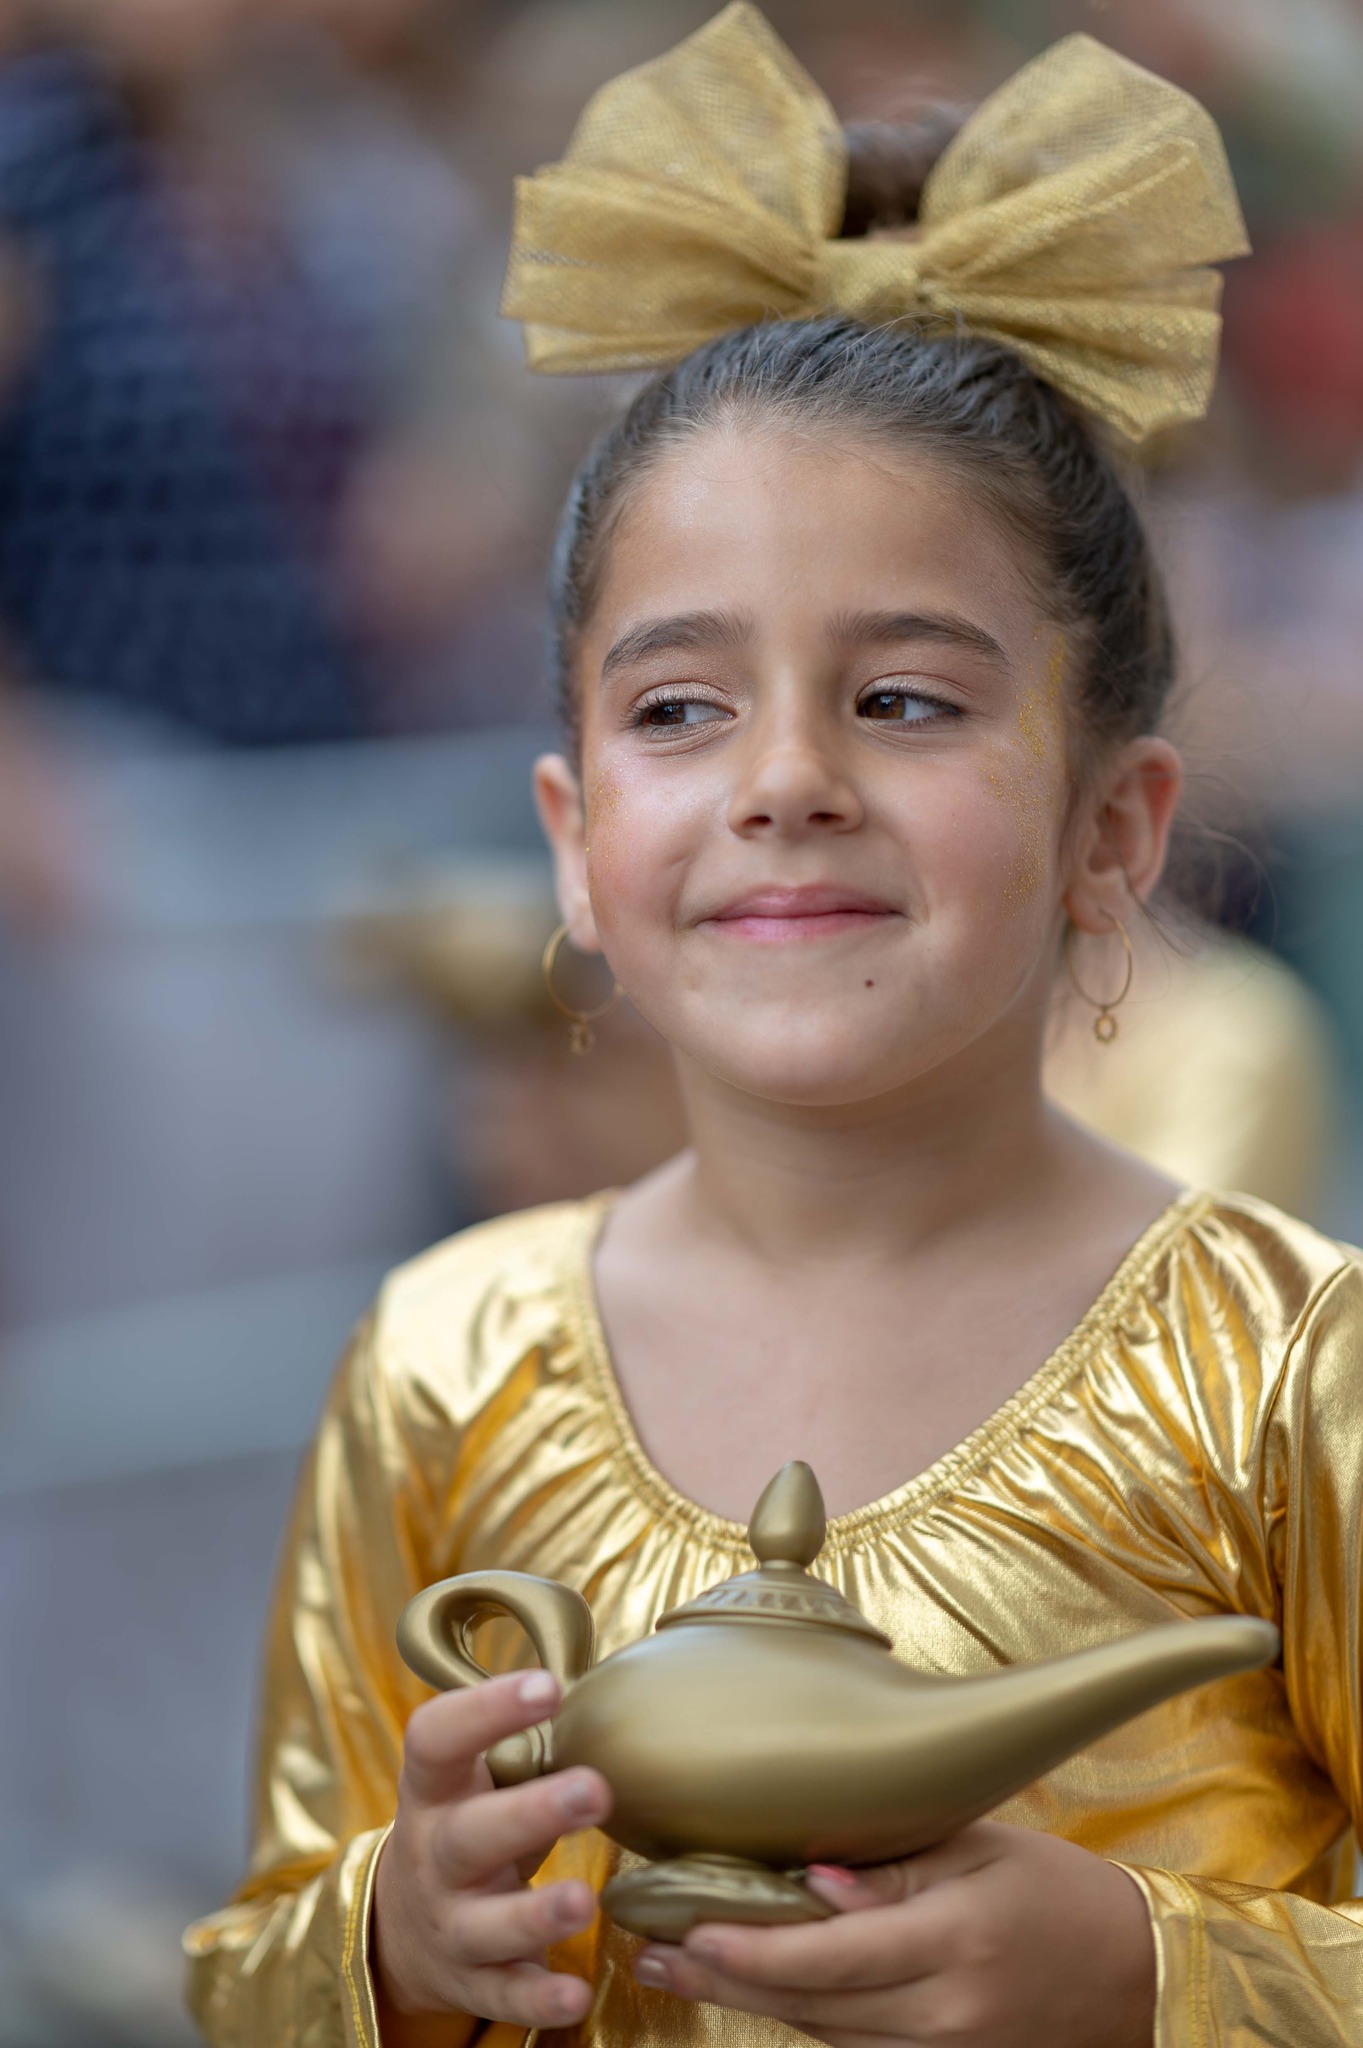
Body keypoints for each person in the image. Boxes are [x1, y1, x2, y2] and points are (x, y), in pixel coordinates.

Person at [183, 9, 1363, 2044]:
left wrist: (1138, 1967)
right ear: (573, 840)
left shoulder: (1290, 1374)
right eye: (677, 708)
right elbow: (256, 1953)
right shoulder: (443, 1358)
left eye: (903, 699)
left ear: (1113, 828)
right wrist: (390, 1944)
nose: (786, 778)